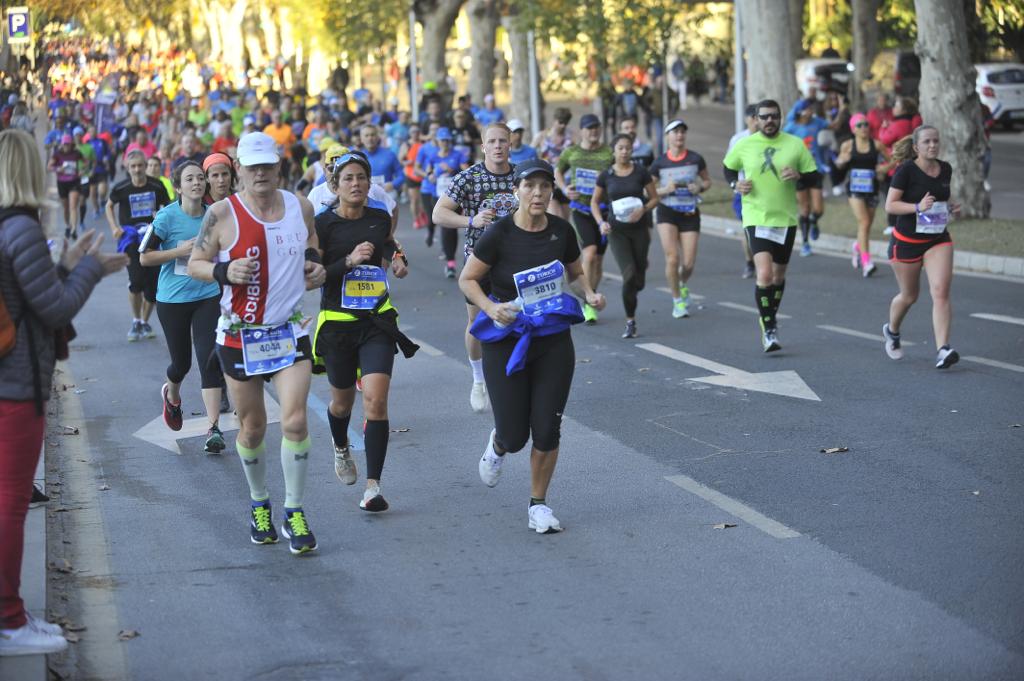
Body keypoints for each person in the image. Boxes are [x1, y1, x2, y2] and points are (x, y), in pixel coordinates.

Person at [0, 128, 127, 656]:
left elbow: (25, 292)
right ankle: (9, 621)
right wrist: (92, 270)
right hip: (15, 385)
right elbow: (53, 309)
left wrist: (66, 264)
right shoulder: (21, 228)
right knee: (9, 502)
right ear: (29, 169)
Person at [187, 132, 327, 554]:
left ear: (278, 166)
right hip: (239, 336)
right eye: (252, 167)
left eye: (267, 165)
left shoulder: (299, 207)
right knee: (251, 428)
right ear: (239, 170)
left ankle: (295, 510)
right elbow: (194, 262)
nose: (260, 173)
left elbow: (314, 247)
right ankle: (259, 501)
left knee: (296, 421)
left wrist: (315, 268)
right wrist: (223, 272)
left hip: (289, 331)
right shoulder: (220, 213)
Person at [459, 158, 606, 534]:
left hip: (553, 340)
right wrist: (492, 308)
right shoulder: (500, 234)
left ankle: (538, 504)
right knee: (515, 434)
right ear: (517, 192)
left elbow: (574, 271)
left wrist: (588, 293)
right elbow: (468, 279)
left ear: (551, 191)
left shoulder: (561, 231)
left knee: (547, 428)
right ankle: (498, 444)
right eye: (530, 186)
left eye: (545, 187)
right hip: (506, 340)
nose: (538, 193)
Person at [312, 151, 418, 511]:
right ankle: (341, 448)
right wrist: (349, 261)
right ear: (336, 185)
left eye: (362, 177)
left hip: (377, 321)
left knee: (375, 400)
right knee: (342, 403)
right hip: (338, 324)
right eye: (348, 179)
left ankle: (373, 486)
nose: (356, 184)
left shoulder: (378, 216)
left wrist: (399, 260)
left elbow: (389, 243)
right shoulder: (323, 224)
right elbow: (314, 276)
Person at [139, 161, 228, 453]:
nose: (197, 183)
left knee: (209, 359)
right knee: (182, 364)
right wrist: (180, 250)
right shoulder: (166, 217)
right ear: (178, 186)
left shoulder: (214, 216)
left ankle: (214, 428)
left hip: (207, 295)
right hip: (173, 300)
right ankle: (172, 394)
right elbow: (145, 257)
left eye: (200, 178)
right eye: (189, 179)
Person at [432, 123, 518, 413]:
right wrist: (471, 221)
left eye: (502, 141)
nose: (497, 146)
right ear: (483, 146)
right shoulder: (468, 178)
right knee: (478, 323)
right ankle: (478, 379)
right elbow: (438, 213)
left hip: (517, 259)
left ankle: (512, 376)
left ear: (510, 144)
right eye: (491, 141)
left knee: (518, 319)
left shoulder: (522, 176)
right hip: (479, 260)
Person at [723, 99, 819, 353]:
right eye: (764, 117)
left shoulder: (794, 144)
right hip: (756, 216)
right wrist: (736, 185)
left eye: (774, 116)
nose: (769, 121)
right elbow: (728, 168)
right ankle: (769, 328)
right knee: (764, 275)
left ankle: (770, 314)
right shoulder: (745, 145)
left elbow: (814, 175)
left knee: (778, 276)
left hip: (785, 219)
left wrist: (799, 176)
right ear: (755, 119)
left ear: (780, 117)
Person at [882, 126, 961, 369]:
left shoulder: (945, 168)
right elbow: (890, 205)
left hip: (937, 239)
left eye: (936, 141)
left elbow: (940, 200)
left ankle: (943, 349)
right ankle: (892, 331)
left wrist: (949, 209)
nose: (933, 145)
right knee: (909, 296)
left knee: (940, 291)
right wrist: (917, 207)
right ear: (916, 147)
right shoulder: (906, 171)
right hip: (906, 243)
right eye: (927, 141)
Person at [591, 134, 658, 338]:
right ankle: (630, 321)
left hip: (639, 230)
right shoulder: (606, 175)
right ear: (614, 150)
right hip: (617, 231)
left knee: (638, 279)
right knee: (628, 275)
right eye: (620, 148)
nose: (625, 151)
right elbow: (594, 202)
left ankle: (638, 278)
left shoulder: (641, 172)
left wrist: (644, 209)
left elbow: (654, 198)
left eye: (628, 148)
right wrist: (601, 223)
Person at [107, 149, 172, 342]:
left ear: (145, 166)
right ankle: (135, 320)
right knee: (136, 281)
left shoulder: (156, 185)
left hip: (152, 238)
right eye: (133, 166)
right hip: (131, 239)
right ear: (127, 168)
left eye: (140, 166)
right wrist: (114, 227)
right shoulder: (121, 188)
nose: (137, 169)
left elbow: (167, 207)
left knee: (152, 287)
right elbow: (109, 205)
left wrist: (162, 222)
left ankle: (144, 322)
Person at [649, 119, 711, 319]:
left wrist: (699, 187)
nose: (679, 136)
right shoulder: (659, 162)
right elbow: (647, 190)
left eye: (682, 132)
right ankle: (677, 301)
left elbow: (707, 180)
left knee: (689, 262)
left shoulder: (695, 159)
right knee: (672, 258)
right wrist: (664, 190)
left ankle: (681, 283)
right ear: (667, 136)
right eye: (675, 132)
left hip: (690, 212)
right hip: (667, 211)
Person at [555, 113, 613, 324]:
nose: (594, 131)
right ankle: (588, 301)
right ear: (581, 131)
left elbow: (618, 173)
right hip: (581, 209)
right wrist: (564, 188)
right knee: (588, 253)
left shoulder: (609, 153)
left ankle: (592, 294)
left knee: (598, 259)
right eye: (589, 128)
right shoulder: (572, 152)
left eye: (596, 127)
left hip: (605, 211)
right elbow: (557, 171)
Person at [834, 113, 887, 277]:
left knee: (867, 225)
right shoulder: (848, 146)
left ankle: (857, 246)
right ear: (853, 129)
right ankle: (866, 262)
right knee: (863, 222)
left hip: (872, 188)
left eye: (866, 124)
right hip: (855, 189)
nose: (864, 128)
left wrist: (884, 167)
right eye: (860, 125)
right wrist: (841, 161)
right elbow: (838, 165)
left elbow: (893, 159)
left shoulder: (876, 145)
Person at [784, 99, 829, 256]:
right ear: (800, 111)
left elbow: (833, 125)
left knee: (818, 209)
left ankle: (814, 220)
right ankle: (805, 243)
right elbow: (780, 142)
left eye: (811, 109)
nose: (811, 112)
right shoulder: (792, 127)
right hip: (798, 172)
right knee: (804, 208)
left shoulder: (817, 122)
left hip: (815, 168)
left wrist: (843, 109)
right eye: (807, 109)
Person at [419, 127, 467, 275]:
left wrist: (453, 171)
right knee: (445, 226)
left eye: (447, 140)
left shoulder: (458, 155)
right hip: (437, 195)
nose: (445, 143)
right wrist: (431, 175)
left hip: (455, 197)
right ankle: (450, 261)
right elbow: (428, 171)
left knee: (451, 227)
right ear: (438, 142)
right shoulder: (433, 156)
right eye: (442, 140)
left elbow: (467, 172)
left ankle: (451, 260)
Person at [728, 105, 759, 279]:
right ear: (747, 119)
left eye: (758, 117)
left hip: (765, 193)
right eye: (753, 117)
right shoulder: (738, 140)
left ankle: (764, 261)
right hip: (744, 192)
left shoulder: (769, 140)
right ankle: (749, 262)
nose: (756, 121)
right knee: (748, 229)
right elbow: (729, 165)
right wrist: (736, 183)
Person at [533, 107, 574, 218]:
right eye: (560, 122)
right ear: (554, 120)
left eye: (566, 123)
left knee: (565, 222)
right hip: (548, 181)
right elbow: (530, 153)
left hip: (565, 182)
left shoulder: (570, 139)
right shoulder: (542, 136)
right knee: (556, 217)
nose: (563, 126)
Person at [49, 133, 84, 240]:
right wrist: (58, 169)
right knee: (66, 207)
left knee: (73, 205)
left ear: (71, 144)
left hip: (74, 181)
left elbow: (85, 162)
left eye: (68, 144)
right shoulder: (57, 154)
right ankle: (68, 225)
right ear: (62, 144)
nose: (66, 146)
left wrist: (82, 170)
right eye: (65, 144)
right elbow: (49, 167)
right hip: (62, 182)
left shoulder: (76, 153)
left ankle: (74, 229)